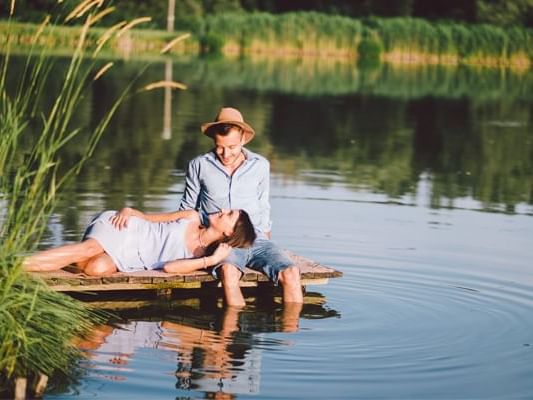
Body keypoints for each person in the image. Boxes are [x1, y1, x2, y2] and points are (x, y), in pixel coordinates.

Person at [179, 107, 303, 306]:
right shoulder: (199, 165)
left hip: (257, 239)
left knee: (291, 272)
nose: (225, 154)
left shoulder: (260, 165)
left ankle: (291, 331)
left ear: (243, 139)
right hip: (223, 241)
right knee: (229, 273)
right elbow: (187, 208)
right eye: (220, 147)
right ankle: (230, 333)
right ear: (213, 140)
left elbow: (263, 203)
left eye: (232, 147)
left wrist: (265, 232)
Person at [23, 207, 256, 276]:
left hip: (131, 258)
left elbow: (169, 268)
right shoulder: (192, 216)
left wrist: (211, 260)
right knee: (90, 248)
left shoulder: (199, 256)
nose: (223, 210)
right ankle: (14, 267)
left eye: (229, 215)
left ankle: (47, 260)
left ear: (228, 233)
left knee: (96, 268)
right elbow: (146, 217)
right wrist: (127, 210)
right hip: (126, 228)